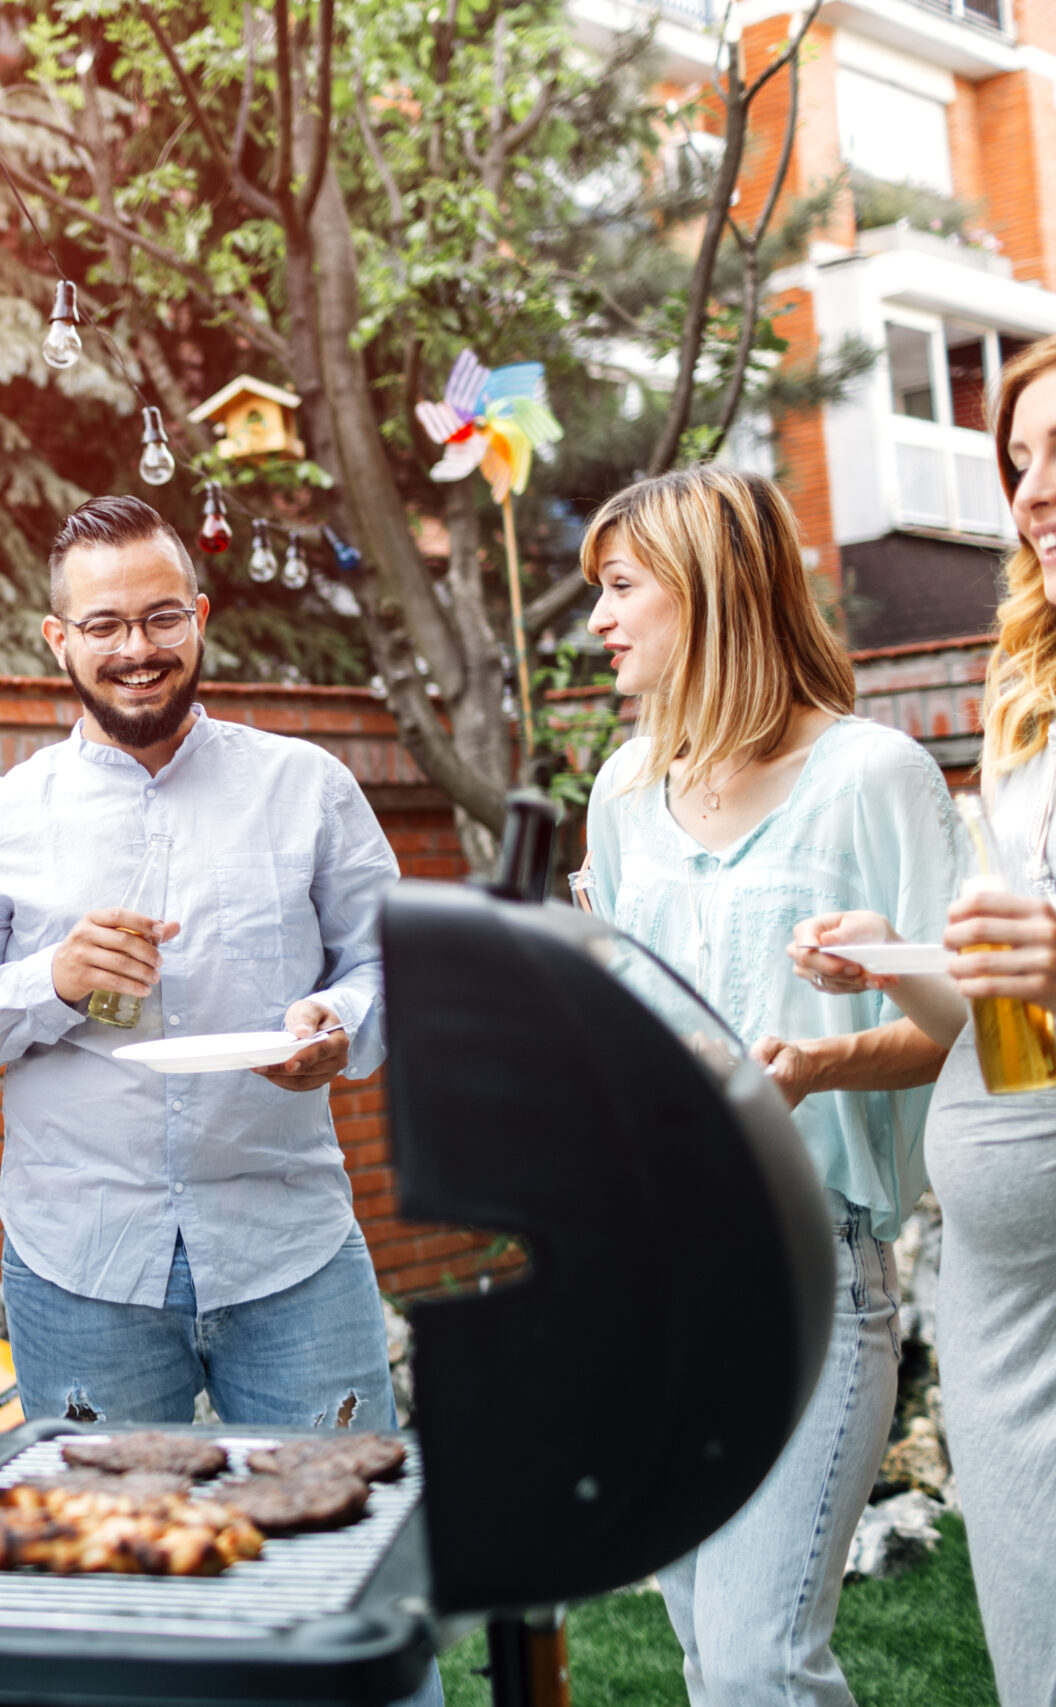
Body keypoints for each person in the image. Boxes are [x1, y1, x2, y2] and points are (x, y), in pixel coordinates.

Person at [578, 464, 958, 1707]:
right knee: (704, 1658)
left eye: (622, 587)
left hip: (806, 1266)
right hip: (650, 1275)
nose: (598, 621)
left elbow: (972, 1029)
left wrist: (825, 1057)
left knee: (756, 1666)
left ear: (712, 590)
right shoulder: (626, 793)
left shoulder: (871, 775)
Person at [0, 494, 403, 1436]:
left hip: (289, 1246)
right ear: (59, 638)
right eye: (104, 624)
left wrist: (340, 1021)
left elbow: (395, 964)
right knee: (114, 1565)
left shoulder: (308, 788)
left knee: (338, 1547)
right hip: (79, 1266)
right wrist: (47, 980)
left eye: (161, 616)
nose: (138, 647)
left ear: (199, 616)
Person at [783, 333, 1056, 1706]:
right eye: (1019, 462)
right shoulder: (1026, 713)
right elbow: (1010, 1012)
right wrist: (892, 963)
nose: (1033, 493)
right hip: (1007, 1291)